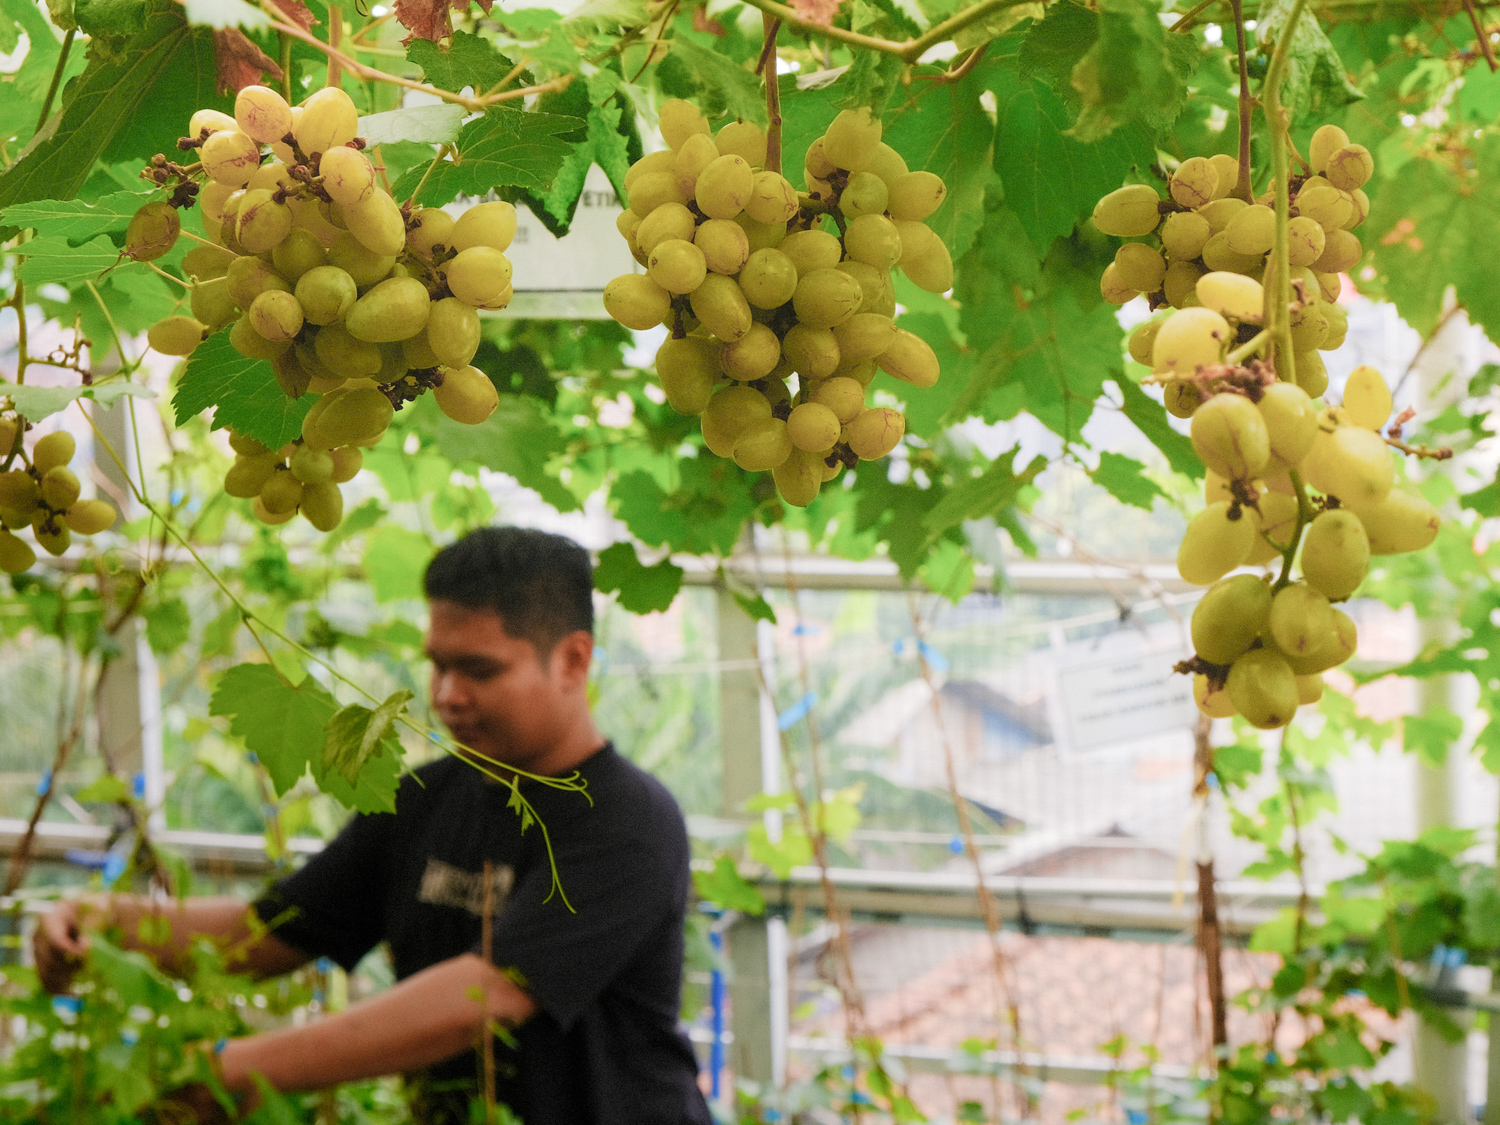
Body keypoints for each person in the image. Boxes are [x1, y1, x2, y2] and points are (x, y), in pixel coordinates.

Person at [33, 526, 714, 1125]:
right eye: (438, 664)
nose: (446, 695)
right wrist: (102, 920)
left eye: (479, 669)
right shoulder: (421, 798)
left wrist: (239, 1066)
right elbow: (264, 934)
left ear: (572, 659)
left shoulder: (628, 820)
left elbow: (485, 995)